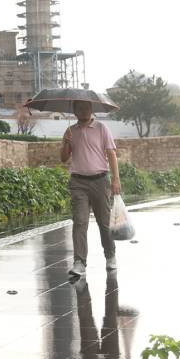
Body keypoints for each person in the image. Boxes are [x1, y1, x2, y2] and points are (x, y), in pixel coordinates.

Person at [60, 100, 120, 277]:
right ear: (75, 111)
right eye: (80, 108)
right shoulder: (70, 131)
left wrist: (116, 179)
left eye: (87, 108)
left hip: (100, 180)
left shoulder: (102, 129)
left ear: (91, 110)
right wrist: (66, 143)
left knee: (104, 222)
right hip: (78, 182)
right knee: (79, 222)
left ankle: (110, 256)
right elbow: (63, 158)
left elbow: (111, 154)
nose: (84, 111)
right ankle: (79, 262)